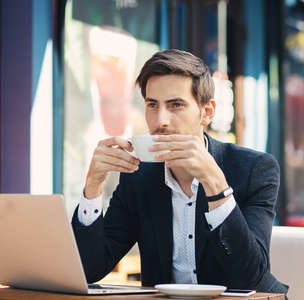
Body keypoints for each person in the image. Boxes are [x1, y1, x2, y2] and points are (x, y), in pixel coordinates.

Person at [71, 49, 288, 295]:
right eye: (152, 104)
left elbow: (250, 277)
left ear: (207, 112)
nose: (161, 120)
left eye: (176, 105)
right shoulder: (139, 177)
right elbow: (89, 269)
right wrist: (93, 187)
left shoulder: (255, 169)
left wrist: (214, 182)